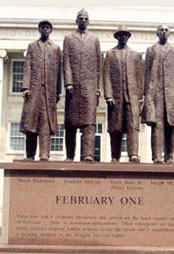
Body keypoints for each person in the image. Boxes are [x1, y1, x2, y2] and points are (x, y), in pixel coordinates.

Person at [20, 20, 61, 161]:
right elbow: (27, 67)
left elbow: (58, 71)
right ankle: (30, 154)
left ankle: (44, 154)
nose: (45, 29)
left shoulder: (55, 48)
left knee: (45, 124)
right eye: (43, 27)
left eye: (47, 27)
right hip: (34, 91)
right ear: (39, 29)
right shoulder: (32, 46)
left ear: (51, 30)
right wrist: (26, 88)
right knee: (31, 123)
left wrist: (57, 91)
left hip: (48, 93)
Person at [63, 9, 101, 162]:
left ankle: (88, 154)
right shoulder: (69, 38)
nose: (83, 20)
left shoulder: (94, 39)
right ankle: (70, 155)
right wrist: (68, 82)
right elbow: (66, 61)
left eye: (86, 18)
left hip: (89, 87)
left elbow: (99, 65)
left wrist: (98, 88)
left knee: (89, 123)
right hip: (73, 87)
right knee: (70, 123)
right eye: (80, 18)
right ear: (76, 21)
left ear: (89, 21)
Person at [141, 25, 174, 164]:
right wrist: (145, 94)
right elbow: (146, 73)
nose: (164, 32)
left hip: (171, 94)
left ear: (169, 33)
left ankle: (170, 156)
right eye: (161, 30)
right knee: (157, 125)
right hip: (155, 94)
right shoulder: (151, 50)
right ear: (157, 33)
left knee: (171, 125)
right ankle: (157, 156)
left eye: (166, 30)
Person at [104, 26, 143, 163]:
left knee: (133, 126)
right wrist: (108, 95)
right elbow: (107, 75)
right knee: (116, 127)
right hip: (115, 97)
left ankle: (133, 154)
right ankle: (115, 156)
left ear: (128, 37)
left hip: (132, 97)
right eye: (121, 35)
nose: (123, 37)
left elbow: (139, 77)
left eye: (125, 35)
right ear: (117, 37)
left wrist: (140, 96)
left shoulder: (135, 55)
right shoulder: (110, 54)